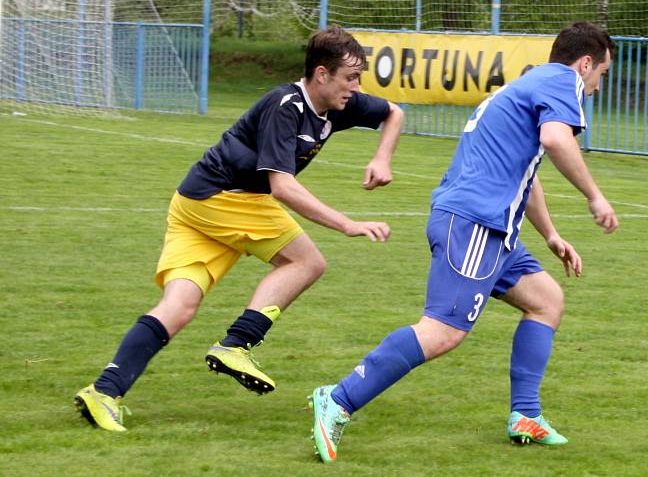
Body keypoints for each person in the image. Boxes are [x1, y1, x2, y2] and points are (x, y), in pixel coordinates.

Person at [309, 21, 619, 463]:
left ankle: (525, 415)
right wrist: (595, 196)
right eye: (601, 75)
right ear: (585, 63)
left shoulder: (529, 83)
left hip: (487, 226)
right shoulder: (561, 80)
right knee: (442, 332)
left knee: (547, 300)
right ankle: (338, 399)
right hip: (475, 224)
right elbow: (555, 139)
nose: (596, 87)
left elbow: (525, 175)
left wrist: (550, 234)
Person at [74, 25, 405, 432]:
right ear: (322, 74)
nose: (356, 87)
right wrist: (347, 224)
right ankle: (237, 344)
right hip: (224, 198)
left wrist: (383, 158)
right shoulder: (286, 106)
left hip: (195, 204)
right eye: (350, 78)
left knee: (179, 307)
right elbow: (281, 186)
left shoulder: (340, 105)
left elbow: (394, 112)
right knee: (306, 262)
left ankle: (103, 391)